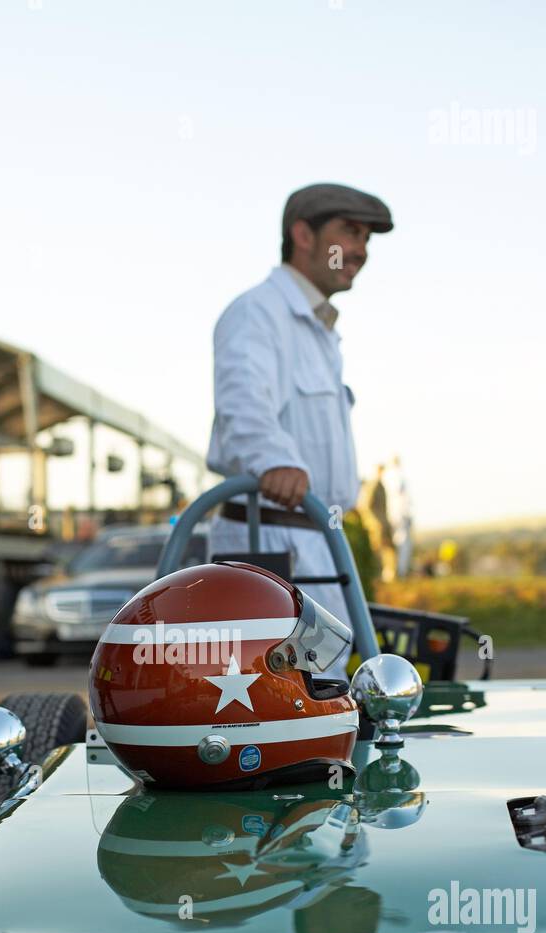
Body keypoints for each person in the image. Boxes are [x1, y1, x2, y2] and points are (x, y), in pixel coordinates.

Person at [207, 182, 394, 669]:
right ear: (302, 235)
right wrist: (275, 459)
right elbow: (243, 397)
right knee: (278, 697)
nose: (359, 251)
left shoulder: (319, 330)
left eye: (366, 239)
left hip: (312, 539)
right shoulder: (258, 312)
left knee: (317, 692)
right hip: (269, 540)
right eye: (349, 233)